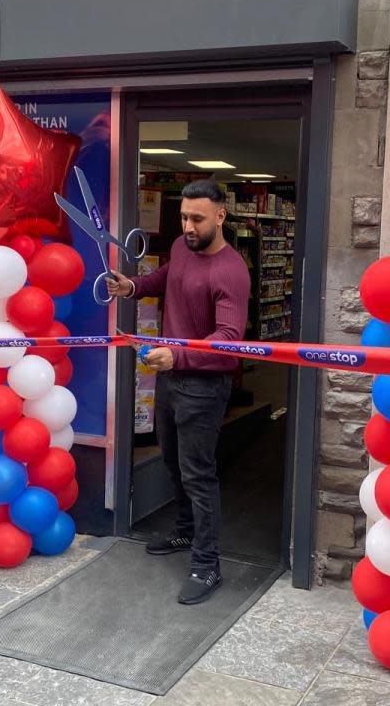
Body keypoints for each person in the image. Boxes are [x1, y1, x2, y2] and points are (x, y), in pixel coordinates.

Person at [106, 179, 250, 605]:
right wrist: (132, 286)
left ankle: (208, 566)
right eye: (184, 217)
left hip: (204, 386)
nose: (188, 225)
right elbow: (168, 279)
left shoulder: (231, 270)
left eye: (197, 218)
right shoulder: (183, 247)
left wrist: (178, 357)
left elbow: (228, 339)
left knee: (199, 475)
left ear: (220, 216)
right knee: (173, 462)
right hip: (172, 380)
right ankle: (186, 531)